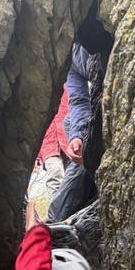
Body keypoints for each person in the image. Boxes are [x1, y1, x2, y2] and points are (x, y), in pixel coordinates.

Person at [47, 41, 97, 222]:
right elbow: (78, 100)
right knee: (71, 125)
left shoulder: (90, 39)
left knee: (73, 126)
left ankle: (56, 219)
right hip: (88, 119)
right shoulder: (72, 59)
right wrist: (77, 137)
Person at [36, 85, 70, 199]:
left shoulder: (67, 87)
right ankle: (55, 208)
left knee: (71, 177)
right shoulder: (37, 92)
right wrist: (36, 156)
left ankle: (72, 207)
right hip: (48, 144)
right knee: (55, 172)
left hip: (68, 138)